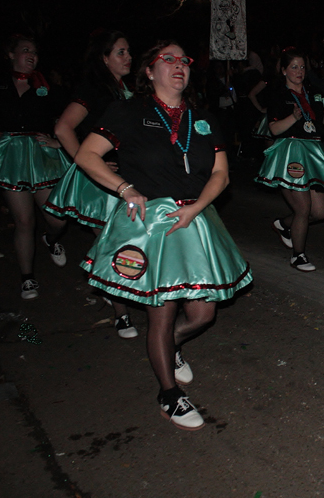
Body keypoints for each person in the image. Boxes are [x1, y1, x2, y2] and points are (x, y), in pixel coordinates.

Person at [75, 41, 253, 430]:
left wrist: (198, 206)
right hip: (152, 222)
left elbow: (221, 174)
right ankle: (169, 395)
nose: (179, 66)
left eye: (185, 61)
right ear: (149, 71)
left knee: (204, 313)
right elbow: (86, 155)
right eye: (168, 60)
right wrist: (124, 189)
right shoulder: (128, 111)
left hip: (195, 217)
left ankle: (170, 347)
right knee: (162, 310)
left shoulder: (202, 118)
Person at [45, 30, 137, 338]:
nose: (128, 57)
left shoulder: (125, 89)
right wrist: (84, 163)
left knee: (124, 240)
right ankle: (121, 313)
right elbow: (63, 127)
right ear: (104, 58)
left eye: (128, 52)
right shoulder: (94, 88)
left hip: (124, 175)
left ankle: (125, 297)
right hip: (99, 178)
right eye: (121, 52)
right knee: (108, 242)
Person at [0, 34, 69, 299]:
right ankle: (27, 278)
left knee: (58, 218)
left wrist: (57, 140)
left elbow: (67, 117)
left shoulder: (45, 85)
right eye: (26, 50)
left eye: (35, 52)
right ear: (10, 54)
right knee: (24, 220)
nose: (32, 55)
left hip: (40, 156)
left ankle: (51, 239)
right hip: (11, 157)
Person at [255, 48, 324, 273]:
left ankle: (284, 224)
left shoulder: (313, 92)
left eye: (302, 66)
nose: (299, 71)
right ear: (284, 70)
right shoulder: (278, 94)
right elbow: (274, 128)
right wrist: (293, 117)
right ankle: (298, 255)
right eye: (294, 67)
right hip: (291, 151)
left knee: (320, 213)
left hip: (314, 151)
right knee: (303, 208)